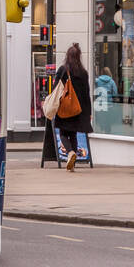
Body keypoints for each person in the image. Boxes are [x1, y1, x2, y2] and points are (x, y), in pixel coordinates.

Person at [53, 42, 93, 172]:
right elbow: (86, 94)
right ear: (79, 56)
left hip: (64, 109)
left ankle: (70, 153)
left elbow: (55, 89)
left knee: (63, 133)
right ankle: (73, 165)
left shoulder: (63, 70)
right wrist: (88, 112)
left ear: (67, 56)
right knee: (74, 135)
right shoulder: (84, 73)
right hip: (78, 109)